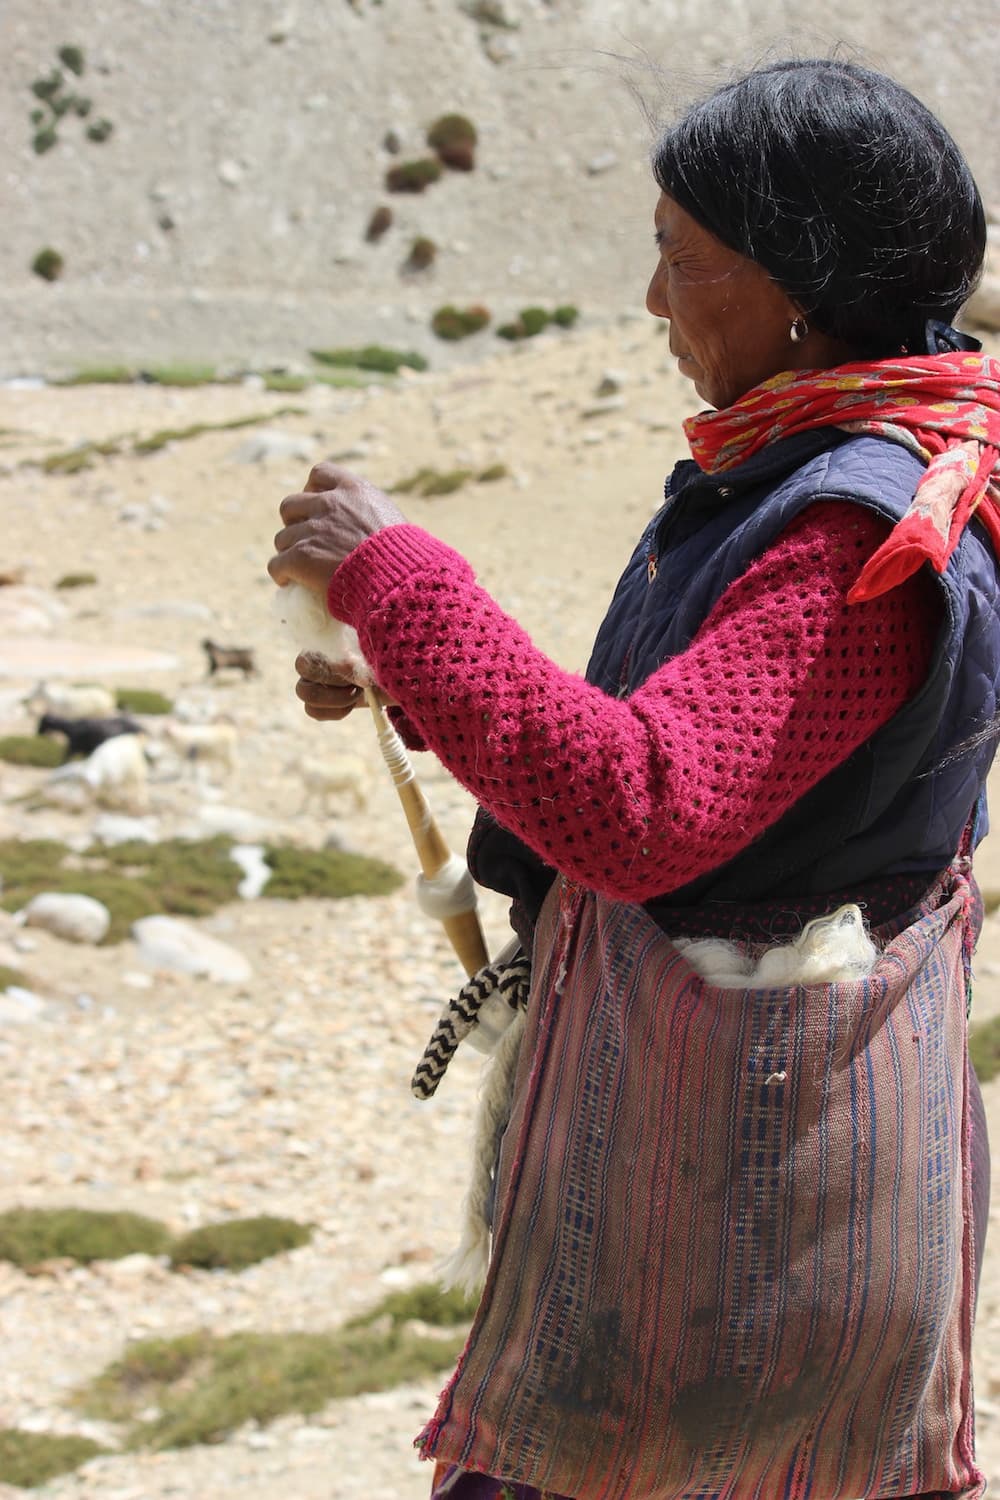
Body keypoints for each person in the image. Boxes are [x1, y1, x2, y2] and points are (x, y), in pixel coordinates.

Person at [269, 57, 997, 1500]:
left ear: (799, 284)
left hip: (750, 1190)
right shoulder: (805, 469)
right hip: (703, 1142)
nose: (657, 303)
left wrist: (400, 579)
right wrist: (413, 678)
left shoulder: (863, 530)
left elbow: (643, 807)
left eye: (682, 261)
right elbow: (687, 739)